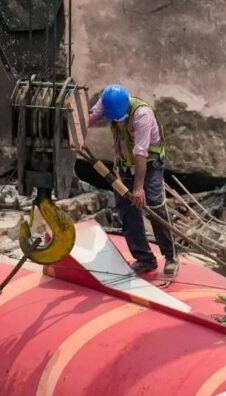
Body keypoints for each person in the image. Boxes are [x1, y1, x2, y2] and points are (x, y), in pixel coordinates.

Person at [88, 83, 177, 275]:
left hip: (149, 164)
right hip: (125, 164)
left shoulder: (142, 115)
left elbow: (140, 153)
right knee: (126, 208)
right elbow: (88, 118)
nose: (117, 122)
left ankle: (171, 256)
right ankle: (145, 258)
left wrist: (138, 188)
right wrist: (73, 130)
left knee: (154, 204)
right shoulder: (106, 102)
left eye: (119, 118)